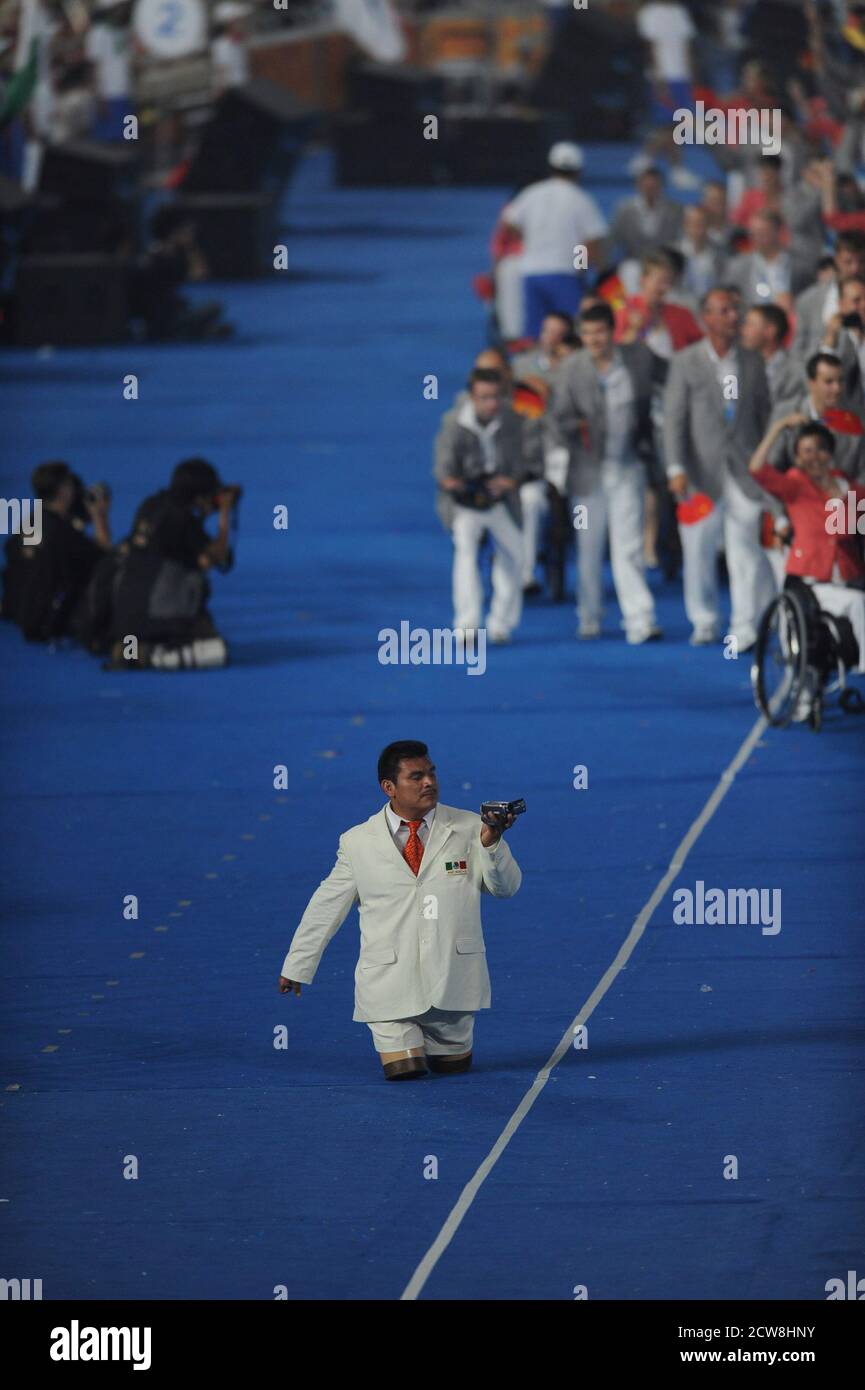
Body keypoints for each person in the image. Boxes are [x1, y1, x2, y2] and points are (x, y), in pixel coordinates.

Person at [278, 741, 522, 1082]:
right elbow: (326, 906)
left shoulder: (471, 827)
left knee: (454, 1072)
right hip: (388, 985)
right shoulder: (357, 842)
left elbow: (506, 888)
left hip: (453, 982)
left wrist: (491, 843)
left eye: (432, 773)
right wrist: (298, 964)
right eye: (416, 776)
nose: (429, 783)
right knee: (405, 1072)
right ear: (388, 787)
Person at [663, 287, 775, 649]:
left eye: (735, 310)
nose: (734, 317)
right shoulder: (685, 361)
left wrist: (768, 466)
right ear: (706, 318)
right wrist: (675, 467)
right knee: (698, 549)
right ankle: (704, 618)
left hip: (744, 472)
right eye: (725, 311)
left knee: (746, 550)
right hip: (698, 473)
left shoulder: (753, 361)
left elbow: (765, 416)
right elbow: (674, 420)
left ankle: (745, 625)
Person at [550, 301, 662, 643]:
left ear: (612, 331)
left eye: (599, 331)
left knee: (628, 546)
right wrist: (576, 432)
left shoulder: (638, 359)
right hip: (585, 474)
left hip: (627, 467)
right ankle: (589, 614)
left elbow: (669, 378)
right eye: (586, 332)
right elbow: (557, 419)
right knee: (588, 545)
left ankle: (639, 619)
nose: (593, 338)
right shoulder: (570, 369)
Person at [749, 419, 865, 714]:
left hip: (848, 577)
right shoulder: (796, 486)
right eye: (806, 452)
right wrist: (778, 427)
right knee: (859, 604)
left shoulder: (850, 489)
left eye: (820, 450)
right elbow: (757, 469)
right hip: (811, 581)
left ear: (830, 452)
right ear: (798, 458)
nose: (814, 457)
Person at [105, 458, 239, 670]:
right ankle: (149, 656)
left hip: (123, 619)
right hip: (160, 617)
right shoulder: (183, 519)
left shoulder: (150, 505)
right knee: (216, 651)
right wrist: (225, 512)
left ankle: (130, 647)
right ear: (199, 492)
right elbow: (217, 557)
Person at [434, 368, 536, 643]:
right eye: (484, 397)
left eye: (496, 397)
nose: (491, 403)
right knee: (465, 550)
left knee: (516, 555)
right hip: (465, 504)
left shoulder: (513, 421)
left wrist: (508, 482)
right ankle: (466, 624)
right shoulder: (453, 423)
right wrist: (466, 484)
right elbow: (443, 471)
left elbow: (523, 465)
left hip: (501, 503)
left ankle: (501, 623)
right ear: (471, 397)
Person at [500, 142, 607, 340]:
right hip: (565, 274)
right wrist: (585, 270)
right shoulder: (581, 199)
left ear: (550, 167)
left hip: (531, 273)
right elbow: (590, 242)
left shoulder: (532, 193)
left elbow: (507, 221)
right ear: (579, 171)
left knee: (536, 334)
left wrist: (528, 239)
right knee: (574, 333)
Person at [2, 461, 112, 643]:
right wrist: (99, 516)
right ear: (62, 490)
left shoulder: (28, 525)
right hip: (49, 620)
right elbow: (103, 555)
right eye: (70, 485)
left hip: (17, 610)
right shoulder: (63, 534)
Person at [632, 0, 700, 190]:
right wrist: (658, 77)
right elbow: (650, 49)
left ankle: (668, 166)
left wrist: (691, 76)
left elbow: (687, 48)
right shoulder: (649, 13)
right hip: (663, 77)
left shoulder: (680, 12)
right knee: (667, 126)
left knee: (677, 126)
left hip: (681, 77)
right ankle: (647, 159)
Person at [769, 350, 865, 481]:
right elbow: (772, 466)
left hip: (846, 497)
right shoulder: (786, 411)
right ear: (811, 384)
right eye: (829, 382)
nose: (837, 388)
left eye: (840, 381)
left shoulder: (857, 418)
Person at [792, 229, 865, 365]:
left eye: (861, 261)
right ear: (836, 260)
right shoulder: (808, 301)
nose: (855, 268)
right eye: (848, 262)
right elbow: (797, 354)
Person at [614, 249, 702, 357]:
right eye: (660, 281)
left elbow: (701, 348)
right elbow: (615, 354)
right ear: (643, 280)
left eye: (668, 282)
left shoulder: (681, 314)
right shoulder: (623, 311)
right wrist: (633, 330)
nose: (664, 287)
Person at [724, 210, 812, 306]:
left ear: (777, 232)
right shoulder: (738, 267)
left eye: (762, 233)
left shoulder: (799, 266)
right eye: (753, 233)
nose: (756, 238)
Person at [608, 166, 683, 263]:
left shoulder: (675, 210)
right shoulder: (624, 209)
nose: (650, 190)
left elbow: (679, 240)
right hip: (633, 261)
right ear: (638, 185)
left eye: (654, 186)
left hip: (665, 263)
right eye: (647, 186)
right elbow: (612, 237)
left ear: (661, 186)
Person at [740, 303, 803, 405]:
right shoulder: (742, 367)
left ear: (770, 330)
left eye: (750, 325)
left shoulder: (793, 371)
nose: (743, 331)